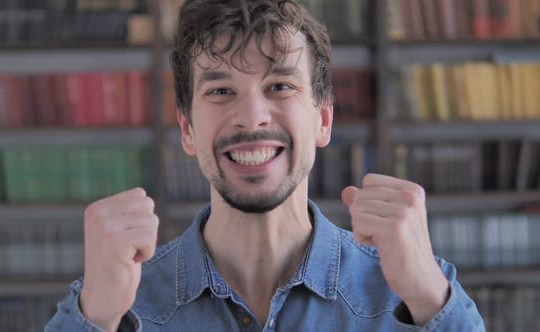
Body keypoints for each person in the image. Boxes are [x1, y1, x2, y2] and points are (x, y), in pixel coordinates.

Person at [46, 0, 484, 331]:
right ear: (187, 130)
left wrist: (430, 298)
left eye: (279, 85)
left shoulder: (419, 293)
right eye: (220, 91)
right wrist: (95, 318)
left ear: (324, 120)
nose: (252, 117)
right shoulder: (112, 305)